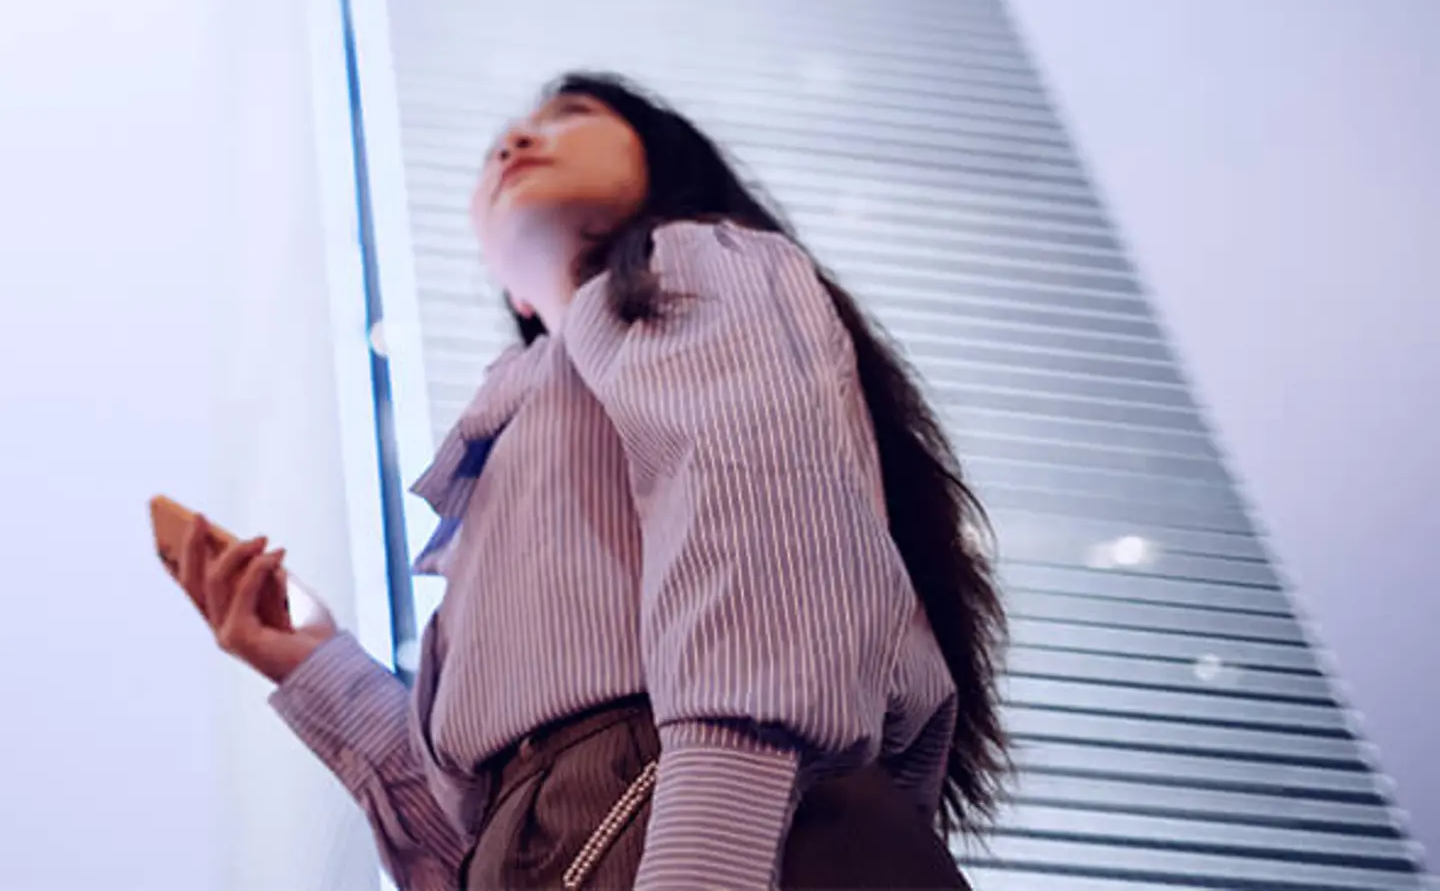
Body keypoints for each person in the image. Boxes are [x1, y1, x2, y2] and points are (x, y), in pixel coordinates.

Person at [170, 72, 1008, 890]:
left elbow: (763, 528)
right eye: (498, 146)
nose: (517, 140)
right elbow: (468, 835)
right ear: (514, 296)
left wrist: (706, 857)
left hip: (713, 820)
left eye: (570, 115)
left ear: (665, 166)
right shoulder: (507, 446)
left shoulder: (691, 261)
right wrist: (308, 659)